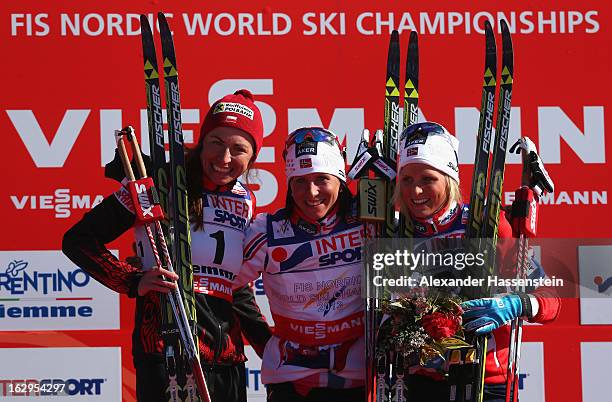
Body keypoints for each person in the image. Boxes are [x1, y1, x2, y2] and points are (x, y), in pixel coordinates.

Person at [62, 89, 271, 402]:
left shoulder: (245, 200)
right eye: (216, 143)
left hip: (225, 353)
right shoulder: (158, 184)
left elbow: (236, 288)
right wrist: (133, 280)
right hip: (166, 346)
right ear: (202, 141)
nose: (224, 158)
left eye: (238, 149)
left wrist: (271, 349)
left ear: (252, 157)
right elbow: (78, 241)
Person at [392, 121, 560, 401]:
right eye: (407, 180)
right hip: (423, 383)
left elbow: (551, 299)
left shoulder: (488, 226)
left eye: (427, 179)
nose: (416, 192)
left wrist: (517, 303)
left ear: (449, 179)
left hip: (487, 380)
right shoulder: (394, 233)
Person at [235, 127, 365, 402]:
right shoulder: (266, 231)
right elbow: (224, 284)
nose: (312, 192)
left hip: (360, 380)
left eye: (322, 179)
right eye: (300, 181)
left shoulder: (369, 223)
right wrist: (262, 337)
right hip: (292, 383)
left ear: (340, 180)